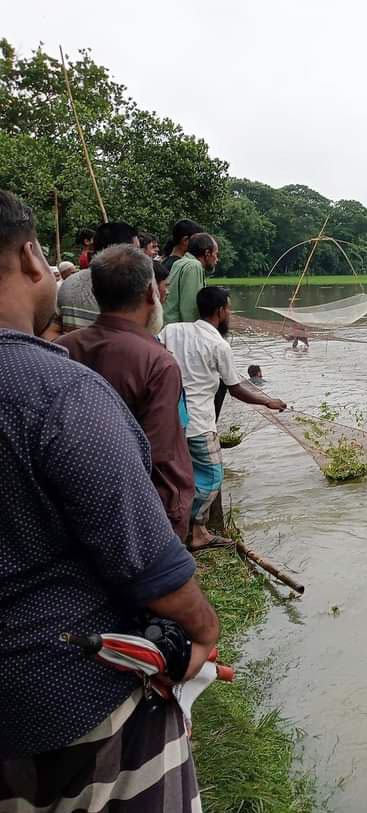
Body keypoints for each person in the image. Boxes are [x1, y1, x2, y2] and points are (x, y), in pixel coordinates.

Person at [0, 190, 218, 811]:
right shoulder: (69, 385)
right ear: (31, 257)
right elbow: (164, 486)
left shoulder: (68, 351)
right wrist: (198, 622)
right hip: (71, 688)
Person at [57, 244, 195, 542]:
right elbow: (156, 452)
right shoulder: (157, 361)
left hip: (76, 503)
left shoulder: (62, 349)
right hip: (149, 511)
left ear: (96, 293)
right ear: (150, 293)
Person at [161, 286, 287, 550]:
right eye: (228, 308)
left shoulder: (172, 331)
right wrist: (268, 401)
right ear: (220, 311)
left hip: (169, 419)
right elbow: (236, 388)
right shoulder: (219, 344)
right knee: (212, 475)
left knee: (177, 476)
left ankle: (173, 527)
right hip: (198, 423)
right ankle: (196, 531)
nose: (229, 313)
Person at [57, 221, 140, 333]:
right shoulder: (128, 289)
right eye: (136, 250)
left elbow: (53, 329)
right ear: (121, 253)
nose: (141, 255)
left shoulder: (68, 283)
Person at [163, 232, 218, 325]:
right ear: (207, 253)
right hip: (178, 331)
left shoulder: (180, 262)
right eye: (216, 254)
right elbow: (189, 310)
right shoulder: (194, 266)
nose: (217, 259)